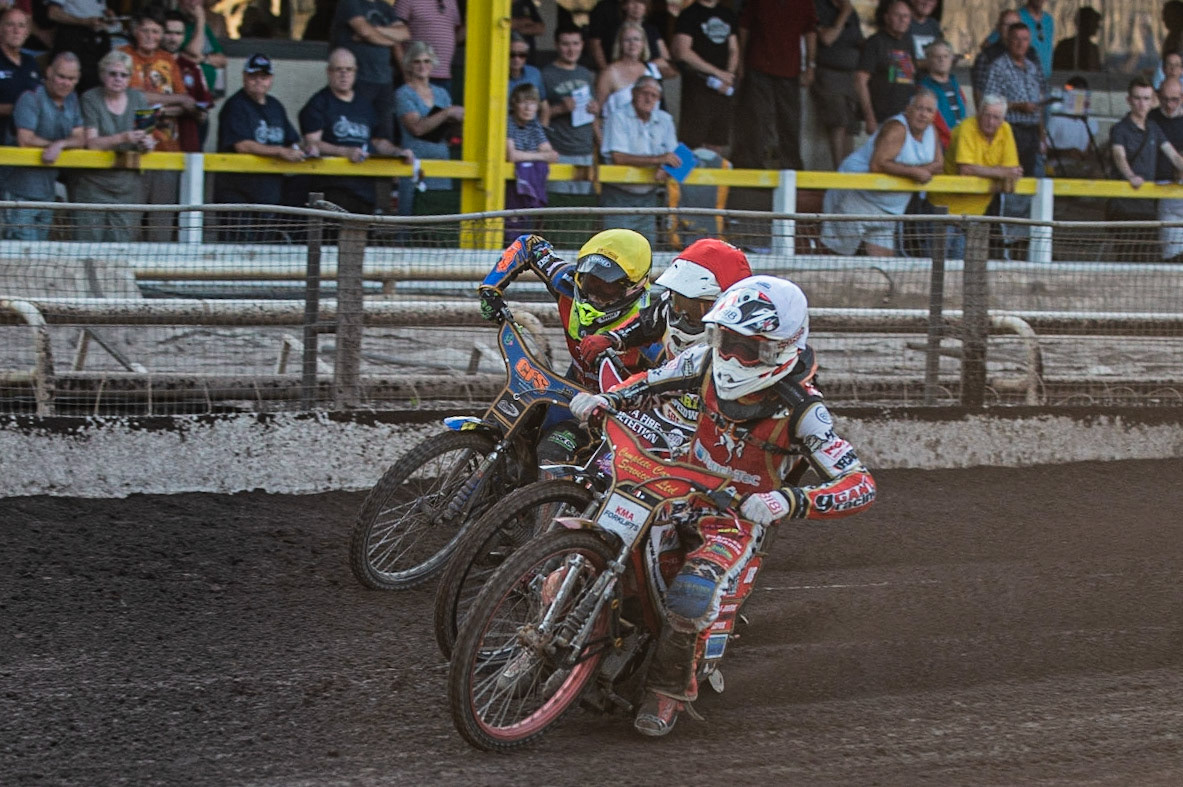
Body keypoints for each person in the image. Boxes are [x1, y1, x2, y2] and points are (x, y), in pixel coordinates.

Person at [567, 274, 876, 737]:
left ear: (780, 348)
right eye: (725, 340)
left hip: (737, 516)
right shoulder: (704, 360)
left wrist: (788, 500)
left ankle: (667, 691)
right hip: (680, 485)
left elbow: (860, 484)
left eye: (747, 348)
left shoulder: (803, 410)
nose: (731, 356)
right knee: (598, 533)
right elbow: (650, 380)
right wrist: (607, 399)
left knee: (692, 594)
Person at [478, 229, 663, 461]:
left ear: (633, 288)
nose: (594, 295)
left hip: (618, 413)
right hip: (572, 386)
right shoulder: (566, 282)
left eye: (607, 288)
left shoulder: (650, 328)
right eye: (590, 282)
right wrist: (491, 288)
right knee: (521, 431)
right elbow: (529, 244)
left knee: (551, 454)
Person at [576, 237, 753, 369]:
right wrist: (612, 338)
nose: (683, 316)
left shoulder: (748, 340)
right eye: (679, 302)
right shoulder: (667, 304)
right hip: (672, 388)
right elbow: (645, 322)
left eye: (694, 308)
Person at [821, 88, 942, 257]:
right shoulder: (897, 128)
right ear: (908, 109)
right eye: (919, 108)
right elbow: (877, 164)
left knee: (883, 263)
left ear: (934, 115)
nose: (923, 114)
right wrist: (914, 172)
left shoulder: (931, 131)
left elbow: (939, 164)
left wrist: (920, 171)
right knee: (838, 257)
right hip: (858, 196)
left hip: (890, 207)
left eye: (929, 110)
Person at [299, 47, 410, 215]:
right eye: (338, 69)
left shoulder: (364, 105)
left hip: (365, 191)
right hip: (332, 191)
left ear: (355, 72)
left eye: (349, 69)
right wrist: (345, 152)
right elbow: (312, 143)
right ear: (329, 72)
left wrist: (398, 152)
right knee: (332, 233)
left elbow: (377, 141)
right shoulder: (319, 103)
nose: (344, 74)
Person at [213, 54, 305, 242]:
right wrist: (280, 151)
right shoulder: (235, 106)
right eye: (253, 76)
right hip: (237, 194)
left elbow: (292, 140)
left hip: (269, 193)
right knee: (236, 248)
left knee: (266, 248)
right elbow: (242, 145)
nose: (258, 81)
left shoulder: (275, 106)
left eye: (263, 77)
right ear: (244, 77)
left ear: (271, 79)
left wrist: (302, 149)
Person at [121, 7, 194, 241]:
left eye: (156, 31)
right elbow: (134, 97)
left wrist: (159, 108)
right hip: (132, 150)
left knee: (161, 223)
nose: (150, 36)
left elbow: (187, 104)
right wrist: (173, 101)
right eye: (145, 30)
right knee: (129, 221)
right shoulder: (123, 56)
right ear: (135, 30)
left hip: (167, 149)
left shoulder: (168, 60)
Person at [74, 49, 155, 241]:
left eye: (124, 75)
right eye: (113, 73)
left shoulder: (139, 99)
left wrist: (147, 143)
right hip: (92, 185)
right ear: (102, 74)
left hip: (127, 186)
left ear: (129, 78)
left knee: (122, 244)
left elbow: (148, 138)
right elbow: (91, 143)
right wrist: (124, 137)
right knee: (88, 242)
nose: (118, 78)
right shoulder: (90, 98)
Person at [928, 94, 1021, 259]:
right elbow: (966, 170)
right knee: (936, 264)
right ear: (979, 113)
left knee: (961, 266)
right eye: (987, 115)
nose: (990, 122)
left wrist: (1000, 173)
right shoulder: (967, 127)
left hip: (975, 214)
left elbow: (1012, 171)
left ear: (1003, 119)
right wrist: (1000, 172)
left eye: (996, 118)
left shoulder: (1005, 129)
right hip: (945, 210)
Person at [984, 21, 1046, 260]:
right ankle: (1004, 245)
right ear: (1008, 41)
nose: (1021, 44)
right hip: (1010, 130)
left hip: (1032, 133)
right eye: (1016, 39)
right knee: (1009, 187)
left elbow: (1039, 105)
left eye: (1025, 39)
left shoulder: (1032, 67)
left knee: (1029, 188)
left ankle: (1023, 246)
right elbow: (990, 101)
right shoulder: (998, 67)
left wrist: (1042, 135)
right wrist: (1019, 106)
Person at [6, 52, 84, 240]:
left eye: (71, 78)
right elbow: (25, 139)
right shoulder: (31, 97)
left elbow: (81, 138)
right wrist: (53, 145)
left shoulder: (72, 100)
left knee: (40, 251)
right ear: (49, 72)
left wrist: (61, 144)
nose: (65, 83)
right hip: (19, 193)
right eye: (61, 76)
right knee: (20, 251)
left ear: (77, 79)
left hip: (47, 192)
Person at [733, 0, 815, 170]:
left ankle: (791, 169)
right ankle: (750, 167)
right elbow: (744, 28)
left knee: (790, 121)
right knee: (755, 119)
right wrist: (739, 61)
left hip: (790, 70)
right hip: (758, 66)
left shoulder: (805, 3)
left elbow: (810, 32)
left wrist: (810, 65)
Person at [1108, 77, 1183, 259]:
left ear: (1152, 101)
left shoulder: (1153, 128)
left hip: (1146, 208)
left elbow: (1173, 156)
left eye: (1146, 98)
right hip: (1124, 207)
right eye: (1137, 98)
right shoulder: (1120, 129)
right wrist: (1131, 176)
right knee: (1126, 258)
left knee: (1145, 259)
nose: (1142, 104)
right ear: (1129, 100)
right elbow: (1119, 156)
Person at [599, 75, 679, 245]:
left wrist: (666, 167)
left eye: (654, 95)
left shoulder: (665, 119)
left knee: (646, 248)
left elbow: (677, 156)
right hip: (618, 197)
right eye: (644, 93)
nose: (649, 99)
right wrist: (659, 160)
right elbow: (618, 157)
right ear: (634, 93)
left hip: (649, 197)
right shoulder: (617, 117)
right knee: (615, 247)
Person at [394, 40, 463, 216]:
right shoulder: (404, 93)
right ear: (409, 65)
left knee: (439, 214)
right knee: (411, 214)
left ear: (433, 64)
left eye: (426, 61)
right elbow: (416, 128)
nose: (422, 65)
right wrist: (447, 112)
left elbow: (450, 131)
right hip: (415, 163)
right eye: (417, 61)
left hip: (441, 161)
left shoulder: (441, 93)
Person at [330, 0, 408, 141]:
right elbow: (365, 31)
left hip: (384, 80)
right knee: (356, 130)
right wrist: (391, 39)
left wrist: (376, 30)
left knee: (383, 134)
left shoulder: (385, 7)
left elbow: (405, 33)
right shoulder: (350, 3)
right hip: (358, 79)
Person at [671, 0, 737, 155]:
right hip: (698, 85)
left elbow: (734, 49)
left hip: (723, 88)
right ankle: (687, 171)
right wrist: (718, 73)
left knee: (717, 141)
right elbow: (682, 52)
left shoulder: (727, 14)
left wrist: (728, 76)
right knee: (692, 142)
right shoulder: (689, 14)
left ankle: (713, 171)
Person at [541, 24, 599, 197]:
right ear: (556, 45)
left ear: (582, 45)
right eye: (565, 44)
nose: (571, 49)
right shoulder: (546, 74)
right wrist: (559, 109)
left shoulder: (585, 74)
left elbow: (593, 115)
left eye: (575, 44)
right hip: (558, 151)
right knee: (558, 204)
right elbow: (534, 116)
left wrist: (595, 109)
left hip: (585, 151)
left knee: (582, 205)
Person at [812, 0, 864, 168]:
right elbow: (827, 38)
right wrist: (844, 12)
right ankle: (838, 169)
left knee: (851, 125)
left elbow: (858, 40)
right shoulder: (818, 7)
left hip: (850, 74)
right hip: (829, 72)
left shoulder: (851, 12)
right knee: (838, 121)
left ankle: (848, 169)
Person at [504, 82, 556, 240]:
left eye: (532, 103)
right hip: (508, 188)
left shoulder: (534, 125)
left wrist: (527, 156)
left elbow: (552, 155)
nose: (528, 108)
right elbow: (511, 156)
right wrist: (538, 156)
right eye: (523, 103)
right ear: (514, 104)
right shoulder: (507, 122)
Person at [855, 0, 915, 136]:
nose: (902, 20)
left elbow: (912, 77)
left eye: (906, 16)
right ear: (886, 18)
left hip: (904, 120)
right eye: (897, 15)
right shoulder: (875, 42)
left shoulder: (908, 42)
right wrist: (869, 117)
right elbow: (860, 80)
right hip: (879, 120)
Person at [161, 10, 213, 153]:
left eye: (178, 34)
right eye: (168, 32)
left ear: (184, 36)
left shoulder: (192, 68)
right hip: (156, 147)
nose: (173, 38)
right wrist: (184, 108)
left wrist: (193, 111)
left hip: (187, 147)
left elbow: (203, 115)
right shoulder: (147, 65)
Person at [971, 9, 1037, 109]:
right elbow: (979, 92)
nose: (1011, 29)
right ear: (998, 28)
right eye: (1007, 25)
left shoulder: (1031, 54)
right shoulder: (987, 57)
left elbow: (1040, 89)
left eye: (1015, 25)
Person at [595, 21, 660, 123]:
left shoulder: (652, 70)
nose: (632, 43)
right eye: (627, 40)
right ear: (620, 44)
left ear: (643, 43)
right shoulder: (609, 73)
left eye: (636, 39)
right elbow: (595, 113)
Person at [393, 0, 463, 93]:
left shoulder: (451, 2)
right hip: (415, 75)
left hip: (444, 77)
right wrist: (405, 71)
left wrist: (472, 25)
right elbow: (394, 36)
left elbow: (453, 37)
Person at [46, 0, 112, 93]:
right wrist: (84, 21)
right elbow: (53, 13)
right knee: (66, 83)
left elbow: (97, 10)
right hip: (72, 39)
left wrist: (108, 16)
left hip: (95, 41)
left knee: (94, 86)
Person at [1150, 76, 1183, 261]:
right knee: (1171, 255)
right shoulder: (1151, 119)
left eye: (1174, 100)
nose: (1169, 105)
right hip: (1158, 188)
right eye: (1165, 99)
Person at [0, 8, 41, 140]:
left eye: (21, 26)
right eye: (10, 24)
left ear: (27, 32)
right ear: (0, 29)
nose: (16, 30)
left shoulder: (31, 62)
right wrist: (17, 109)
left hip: (28, 139)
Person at [917, 39, 966, 149]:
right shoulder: (923, 88)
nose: (942, 60)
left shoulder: (955, 84)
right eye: (937, 56)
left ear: (951, 59)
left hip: (960, 143)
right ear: (928, 60)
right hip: (938, 146)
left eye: (946, 56)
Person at [179, 0, 228, 100]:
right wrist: (200, 19)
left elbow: (222, 60)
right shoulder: (175, 22)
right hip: (186, 92)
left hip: (207, 94)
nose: (194, 3)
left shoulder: (203, 26)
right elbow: (195, 51)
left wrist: (203, 59)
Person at [508, 31, 548, 126]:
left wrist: (542, 130)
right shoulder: (496, 76)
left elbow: (544, 106)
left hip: (531, 130)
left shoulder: (534, 73)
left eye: (522, 55)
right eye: (512, 55)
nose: (517, 59)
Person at [1052, 6, 1102, 72]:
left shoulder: (1093, 49)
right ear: (1086, 23)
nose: (1097, 27)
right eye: (1095, 22)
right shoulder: (1065, 46)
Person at [1019, 0, 1053, 77]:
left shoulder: (1048, 20)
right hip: (1023, 78)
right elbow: (992, 43)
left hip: (1044, 80)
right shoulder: (1017, 17)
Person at [511, 0, 544, 65]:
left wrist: (516, 28)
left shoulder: (527, 3)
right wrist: (526, 22)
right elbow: (509, 24)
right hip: (507, 57)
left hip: (528, 58)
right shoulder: (501, 4)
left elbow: (541, 29)